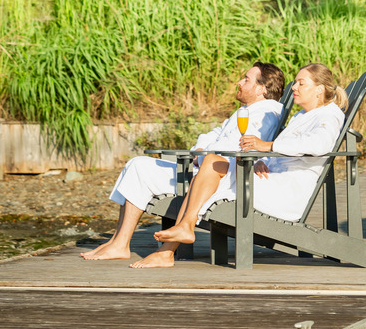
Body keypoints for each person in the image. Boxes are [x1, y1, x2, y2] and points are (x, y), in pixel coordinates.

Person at [134, 63, 347, 269]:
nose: (293, 87)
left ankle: (172, 244)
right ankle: (177, 238)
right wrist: (264, 160)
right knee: (213, 162)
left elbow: (319, 144)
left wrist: (269, 146)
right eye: (295, 83)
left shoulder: (329, 115)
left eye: (301, 83)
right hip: (271, 180)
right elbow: (289, 152)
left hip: (284, 192)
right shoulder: (303, 115)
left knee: (214, 164)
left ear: (319, 90)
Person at [81, 61, 285, 262]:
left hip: (218, 176)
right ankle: (118, 241)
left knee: (139, 169)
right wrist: (199, 150)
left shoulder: (267, 113)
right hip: (205, 167)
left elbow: (236, 147)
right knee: (136, 165)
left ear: (261, 89)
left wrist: (202, 153)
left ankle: (122, 244)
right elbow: (212, 135)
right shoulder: (248, 110)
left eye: (246, 79)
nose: (239, 82)